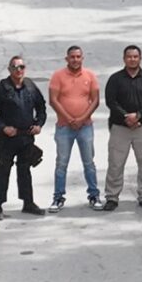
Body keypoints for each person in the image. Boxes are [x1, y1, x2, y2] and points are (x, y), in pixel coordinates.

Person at [0, 55, 48, 219]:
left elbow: (41, 108)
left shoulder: (31, 87)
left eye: (21, 67)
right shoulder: (1, 88)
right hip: (7, 138)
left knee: (25, 170)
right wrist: (3, 127)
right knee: (4, 170)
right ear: (9, 69)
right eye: (15, 67)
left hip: (26, 137)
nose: (18, 70)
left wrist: (39, 124)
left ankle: (28, 203)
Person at [102, 44, 142, 210]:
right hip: (120, 128)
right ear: (124, 59)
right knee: (115, 163)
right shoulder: (115, 79)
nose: (132, 59)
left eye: (135, 56)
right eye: (129, 56)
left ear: (140, 58)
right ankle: (112, 197)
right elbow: (110, 101)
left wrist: (139, 115)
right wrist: (125, 116)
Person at [47, 46, 102, 211]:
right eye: (72, 57)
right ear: (67, 59)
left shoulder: (90, 75)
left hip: (85, 127)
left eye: (78, 57)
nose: (75, 60)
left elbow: (95, 100)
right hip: (64, 127)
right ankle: (58, 198)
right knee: (61, 164)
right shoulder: (58, 76)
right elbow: (53, 100)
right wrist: (69, 119)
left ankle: (94, 195)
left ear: (82, 58)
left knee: (89, 163)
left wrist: (82, 118)